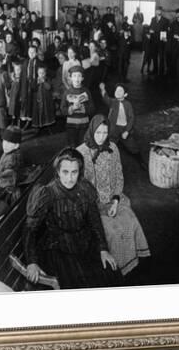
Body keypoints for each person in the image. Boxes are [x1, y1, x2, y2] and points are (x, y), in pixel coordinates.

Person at [23, 148, 121, 289]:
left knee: (109, 275)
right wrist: (32, 261)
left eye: (74, 172)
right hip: (58, 248)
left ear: (79, 172)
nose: (70, 178)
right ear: (58, 172)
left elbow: (95, 220)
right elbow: (29, 229)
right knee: (76, 283)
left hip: (84, 243)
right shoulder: (47, 194)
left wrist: (103, 249)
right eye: (65, 172)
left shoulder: (85, 188)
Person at [77, 117, 150, 276]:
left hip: (113, 199)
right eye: (98, 132)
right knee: (113, 233)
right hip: (93, 206)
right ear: (91, 130)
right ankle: (116, 271)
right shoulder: (81, 152)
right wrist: (95, 206)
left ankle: (132, 264)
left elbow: (119, 176)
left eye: (105, 132)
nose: (102, 136)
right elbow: (79, 188)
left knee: (131, 222)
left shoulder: (113, 148)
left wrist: (116, 201)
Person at [61, 65, 95, 147]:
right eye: (74, 76)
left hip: (84, 124)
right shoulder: (67, 92)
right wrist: (72, 108)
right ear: (70, 78)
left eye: (79, 76)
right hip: (71, 125)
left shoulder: (86, 91)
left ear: (83, 78)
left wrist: (84, 109)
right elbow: (62, 109)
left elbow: (92, 108)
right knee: (72, 145)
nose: (77, 79)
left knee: (83, 145)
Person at [32, 64, 56, 130]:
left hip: (46, 99)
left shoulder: (47, 79)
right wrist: (37, 83)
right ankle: (39, 125)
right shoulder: (36, 80)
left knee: (46, 112)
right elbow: (33, 88)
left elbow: (49, 87)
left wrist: (44, 82)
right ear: (37, 73)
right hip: (38, 100)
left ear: (45, 73)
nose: (41, 74)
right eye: (40, 73)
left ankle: (47, 124)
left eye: (43, 73)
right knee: (38, 112)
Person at [148, 7, 170, 75]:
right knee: (154, 56)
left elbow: (166, 31)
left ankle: (161, 71)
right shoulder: (153, 19)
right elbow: (151, 28)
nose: (158, 12)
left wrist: (155, 32)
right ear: (155, 11)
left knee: (161, 56)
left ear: (161, 11)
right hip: (154, 41)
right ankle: (155, 69)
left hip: (161, 41)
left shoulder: (165, 20)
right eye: (157, 10)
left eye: (159, 10)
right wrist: (150, 32)